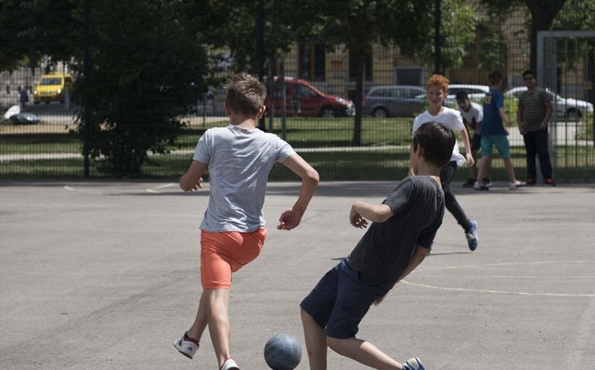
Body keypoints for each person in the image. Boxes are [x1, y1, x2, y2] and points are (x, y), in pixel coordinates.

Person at [173, 73, 320, 370]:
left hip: (218, 236)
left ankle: (226, 361)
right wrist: (297, 211)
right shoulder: (272, 142)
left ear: (228, 108)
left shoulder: (213, 137)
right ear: (262, 110)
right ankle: (191, 337)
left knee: (218, 296)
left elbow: (187, 183)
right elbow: (312, 176)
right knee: (217, 285)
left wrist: (192, 179)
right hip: (253, 240)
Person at [300, 121, 455, 370]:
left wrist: (357, 205)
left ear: (419, 150)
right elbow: (422, 252)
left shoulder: (414, 184)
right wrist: (392, 282)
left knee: (338, 338)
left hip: (363, 273)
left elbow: (381, 213)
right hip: (357, 267)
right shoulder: (439, 198)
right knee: (310, 312)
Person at [412, 74, 478, 251]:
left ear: (445, 96)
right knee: (437, 198)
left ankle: (427, 238)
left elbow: (463, 132)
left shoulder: (452, 115)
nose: (435, 97)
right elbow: (415, 146)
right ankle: (468, 226)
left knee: (440, 193)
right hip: (428, 164)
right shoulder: (421, 120)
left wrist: (468, 153)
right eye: (432, 93)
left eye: (438, 94)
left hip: (448, 161)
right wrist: (413, 167)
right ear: (427, 95)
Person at [474, 70, 525, 191]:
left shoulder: (487, 95)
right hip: (497, 130)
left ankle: (478, 181)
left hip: (485, 130)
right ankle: (513, 181)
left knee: (485, 155)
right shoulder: (498, 94)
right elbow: (499, 109)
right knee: (506, 155)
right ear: (500, 81)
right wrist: (507, 121)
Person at [517, 70, 555, 186]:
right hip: (528, 129)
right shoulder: (523, 96)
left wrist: (544, 122)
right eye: (526, 79)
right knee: (530, 155)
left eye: (530, 78)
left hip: (540, 128)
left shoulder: (541, 93)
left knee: (543, 153)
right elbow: (519, 112)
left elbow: (549, 108)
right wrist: (520, 127)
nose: (529, 81)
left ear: (535, 79)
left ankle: (547, 177)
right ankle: (531, 178)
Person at [455, 91, 485, 188]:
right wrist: (469, 140)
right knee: (472, 152)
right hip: (476, 130)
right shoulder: (459, 111)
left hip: (485, 130)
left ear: (468, 100)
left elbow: (478, 125)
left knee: (484, 153)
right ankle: (473, 177)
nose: (462, 105)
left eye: (464, 101)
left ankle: (484, 177)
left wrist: (473, 141)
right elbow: (463, 127)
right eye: (459, 102)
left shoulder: (476, 109)